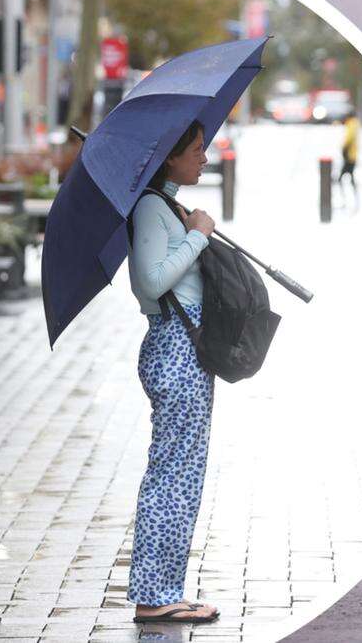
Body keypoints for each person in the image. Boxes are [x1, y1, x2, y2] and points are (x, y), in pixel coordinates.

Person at [125, 119, 220, 624]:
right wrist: (199, 238)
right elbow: (150, 282)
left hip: (190, 351)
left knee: (185, 474)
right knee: (171, 475)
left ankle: (165, 589)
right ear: (170, 156)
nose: (205, 157)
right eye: (198, 149)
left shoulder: (166, 207)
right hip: (175, 349)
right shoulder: (148, 210)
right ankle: (154, 597)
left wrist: (192, 228)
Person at [337, 110, 360, 209]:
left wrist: (344, 148)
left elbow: (348, 139)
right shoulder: (355, 124)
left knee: (342, 178)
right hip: (353, 156)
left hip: (349, 157)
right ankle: (354, 198)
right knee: (350, 177)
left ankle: (346, 199)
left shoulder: (351, 124)